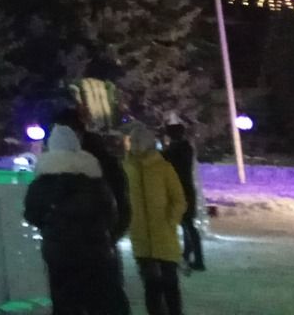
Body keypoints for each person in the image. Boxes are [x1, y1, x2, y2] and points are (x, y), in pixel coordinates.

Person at [24, 125, 125, 315]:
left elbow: (31, 214)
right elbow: (111, 212)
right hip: (95, 249)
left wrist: (51, 226)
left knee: (65, 301)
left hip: (58, 251)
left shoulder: (41, 183)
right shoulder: (94, 179)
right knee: (98, 300)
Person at [124, 123, 187, 315]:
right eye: (132, 141)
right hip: (141, 239)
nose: (135, 145)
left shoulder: (163, 168)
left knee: (169, 285)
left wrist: (170, 221)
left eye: (138, 141)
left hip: (164, 237)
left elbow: (179, 199)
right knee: (151, 287)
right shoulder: (126, 168)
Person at [161, 123, 204, 273]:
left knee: (187, 225)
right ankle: (189, 255)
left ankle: (197, 258)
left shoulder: (177, 149)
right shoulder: (184, 148)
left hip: (181, 189)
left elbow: (166, 161)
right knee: (187, 224)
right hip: (186, 189)